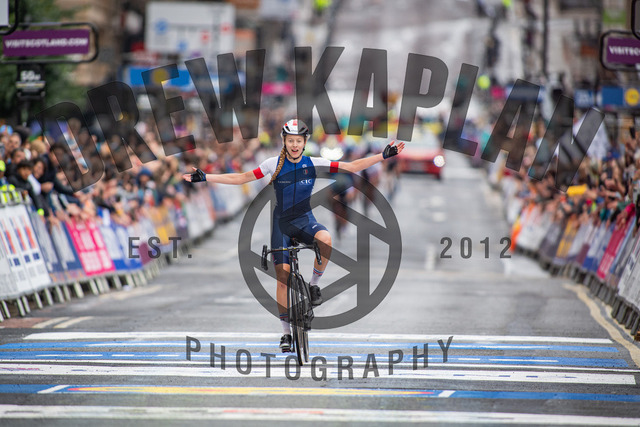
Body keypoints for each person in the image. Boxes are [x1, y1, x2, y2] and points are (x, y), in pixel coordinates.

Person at [182, 119, 404, 351]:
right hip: (282, 225)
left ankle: (314, 285)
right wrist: (206, 177)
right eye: (290, 141)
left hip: (305, 220)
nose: (295, 145)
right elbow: (242, 178)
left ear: (305, 142)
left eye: (298, 141)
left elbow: (351, 166)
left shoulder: (314, 163)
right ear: (284, 141)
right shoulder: (273, 164)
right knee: (283, 276)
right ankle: (286, 333)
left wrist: (383, 156)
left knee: (326, 240)